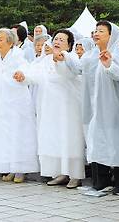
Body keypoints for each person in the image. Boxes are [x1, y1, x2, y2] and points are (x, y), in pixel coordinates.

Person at [84, 21, 119, 195]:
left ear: (111, 35)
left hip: (117, 108)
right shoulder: (96, 54)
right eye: (95, 31)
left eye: (101, 31)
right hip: (101, 108)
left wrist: (110, 66)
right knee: (100, 142)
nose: (96, 33)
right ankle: (103, 180)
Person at [32, 29, 85, 189]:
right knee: (55, 138)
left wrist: (62, 60)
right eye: (56, 39)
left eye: (62, 40)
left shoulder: (72, 57)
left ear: (69, 45)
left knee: (71, 139)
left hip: (69, 107)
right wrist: (23, 76)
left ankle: (75, 174)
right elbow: (35, 75)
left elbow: (71, 73)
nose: (57, 42)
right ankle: (60, 173)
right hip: (51, 106)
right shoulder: (45, 60)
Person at [0, 29, 39, 183]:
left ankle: (20, 169)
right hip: (1, 104)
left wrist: (23, 75)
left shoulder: (18, 57)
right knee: (5, 135)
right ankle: (9, 166)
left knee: (18, 135)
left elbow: (27, 70)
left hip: (17, 105)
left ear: (10, 42)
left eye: (1, 39)